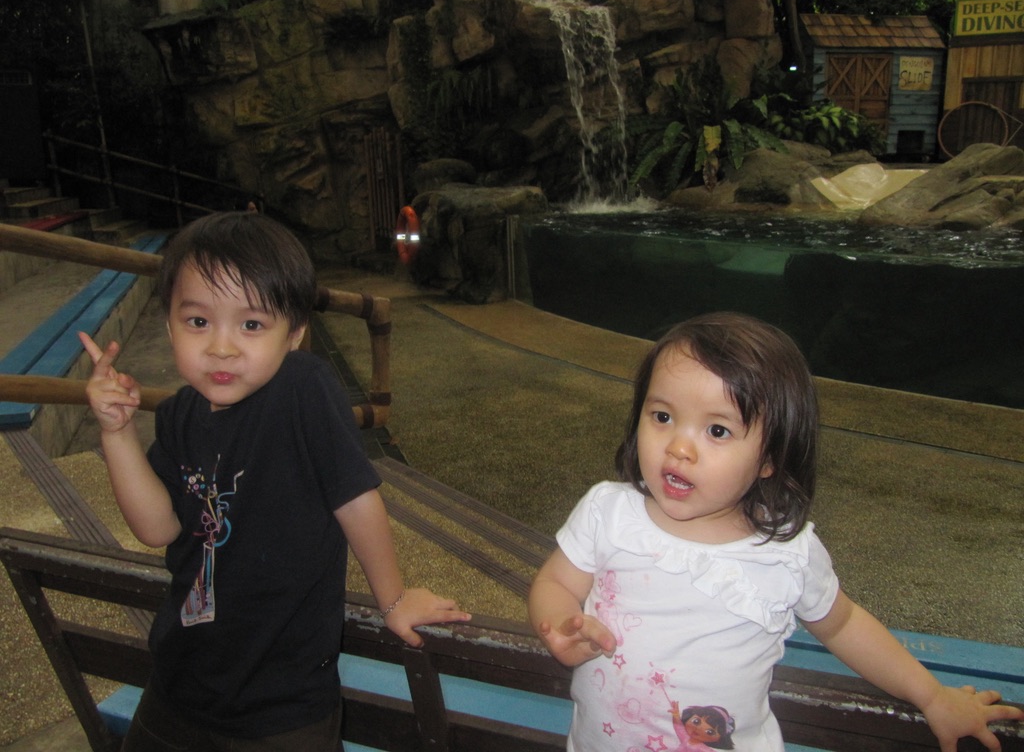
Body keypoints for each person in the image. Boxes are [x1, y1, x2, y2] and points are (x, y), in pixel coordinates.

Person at [528, 312, 1023, 752]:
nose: (679, 447)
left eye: (717, 430)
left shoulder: (785, 553)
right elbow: (555, 583)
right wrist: (560, 624)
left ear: (769, 458)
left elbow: (845, 626)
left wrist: (932, 696)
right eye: (663, 416)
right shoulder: (610, 513)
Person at [79, 211, 470, 751]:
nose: (221, 347)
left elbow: (355, 499)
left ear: (294, 334)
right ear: (169, 325)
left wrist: (394, 598)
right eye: (198, 322)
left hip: (284, 703)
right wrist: (116, 432)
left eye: (252, 325)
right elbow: (158, 528)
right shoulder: (177, 416)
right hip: (178, 681)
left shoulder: (302, 390)